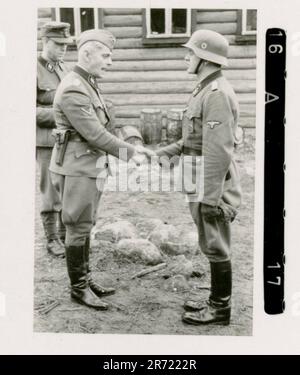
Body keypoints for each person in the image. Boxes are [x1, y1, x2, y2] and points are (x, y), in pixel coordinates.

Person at [49, 29, 154, 310]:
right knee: (77, 227)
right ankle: (78, 288)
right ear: (87, 54)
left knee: (85, 225)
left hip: (87, 167)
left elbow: (103, 127)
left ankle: (85, 278)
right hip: (76, 168)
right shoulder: (73, 87)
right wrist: (130, 153)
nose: (110, 61)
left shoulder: (87, 83)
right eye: (105, 55)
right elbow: (94, 134)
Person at [155, 30, 242, 325]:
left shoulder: (217, 94)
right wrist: (167, 152)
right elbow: (195, 137)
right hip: (198, 177)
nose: (186, 57)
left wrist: (211, 197)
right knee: (209, 240)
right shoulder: (204, 89)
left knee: (216, 243)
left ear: (204, 57)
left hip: (210, 182)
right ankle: (216, 301)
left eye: (190, 53)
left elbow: (218, 151)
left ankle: (220, 309)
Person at [36, 21, 73, 257]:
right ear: (45, 41)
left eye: (66, 45)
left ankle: (63, 234)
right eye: (58, 44)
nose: (63, 49)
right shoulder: (31, 69)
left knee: (67, 186)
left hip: (67, 139)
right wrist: (61, 114)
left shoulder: (64, 69)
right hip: (47, 140)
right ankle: (51, 238)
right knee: (50, 189)